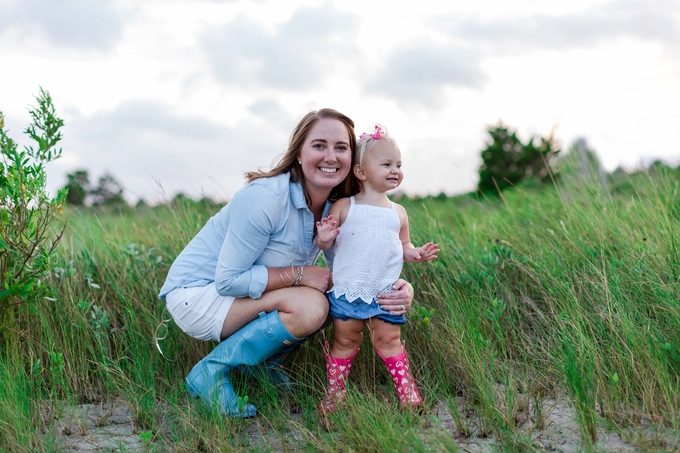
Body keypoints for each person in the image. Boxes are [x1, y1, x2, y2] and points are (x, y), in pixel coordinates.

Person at [158, 109, 416, 418]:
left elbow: (348, 272)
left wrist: (399, 287)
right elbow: (229, 280)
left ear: (353, 160)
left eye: (341, 147)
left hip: (237, 294)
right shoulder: (265, 198)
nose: (330, 156)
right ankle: (211, 371)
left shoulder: (338, 206)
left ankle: (265, 367)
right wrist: (301, 274)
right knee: (312, 305)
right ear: (298, 153)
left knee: (332, 295)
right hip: (199, 295)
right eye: (319, 145)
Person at [315, 124, 439, 414]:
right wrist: (324, 236)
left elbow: (403, 245)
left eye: (398, 165)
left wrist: (416, 253)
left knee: (389, 340)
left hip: (385, 291)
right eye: (386, 164)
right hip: (349, 289)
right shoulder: (346, 206)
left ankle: (407, 392)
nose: (395, 170)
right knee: (345, 340)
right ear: (361, 172)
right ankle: (335, 394)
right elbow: (325, 245)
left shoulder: (399, 212)